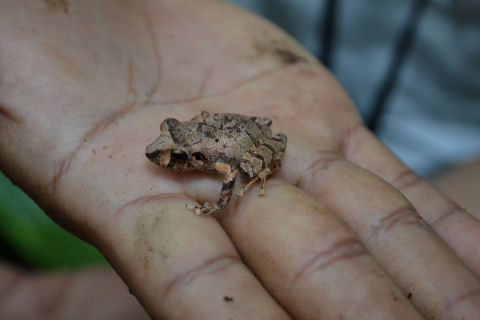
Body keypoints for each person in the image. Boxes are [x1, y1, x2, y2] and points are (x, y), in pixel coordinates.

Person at [0, 0, 479, 319]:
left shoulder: (212, 163)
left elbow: (229, 173)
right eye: (170, 149)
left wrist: (216, 205)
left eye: (175, 156)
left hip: (434, 148)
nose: (165, 158)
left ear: (190, 159)